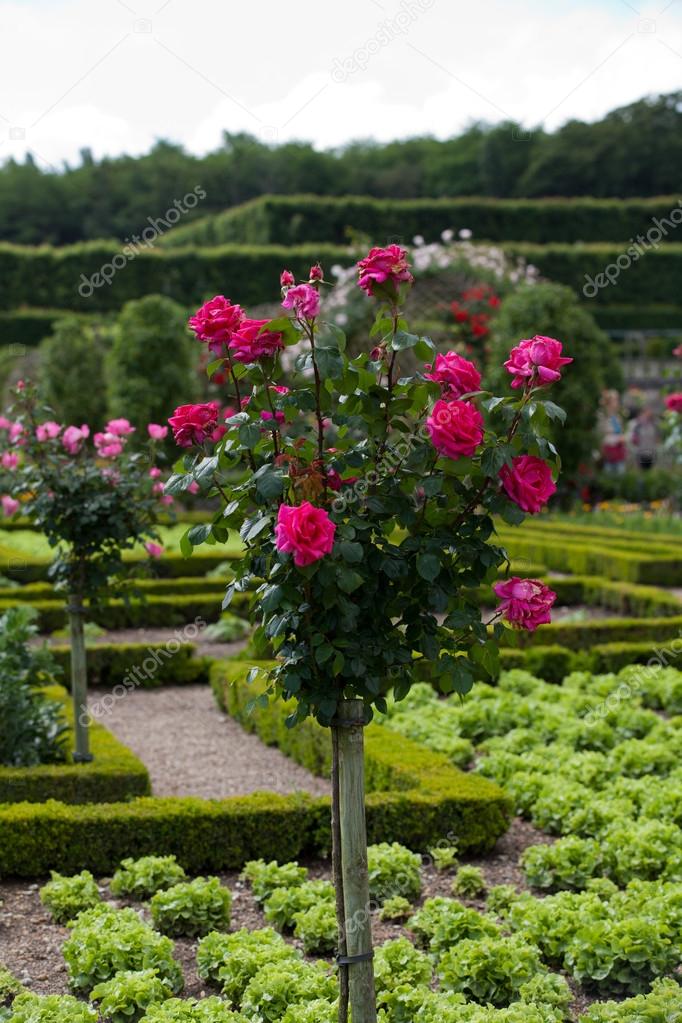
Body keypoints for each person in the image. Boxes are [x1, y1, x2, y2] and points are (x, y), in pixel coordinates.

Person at [597, 390, 627, 474]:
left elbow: (620, 431)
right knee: (608, 474)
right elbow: (601, 432)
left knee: (620, 473)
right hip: (608, 449)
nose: (617, 402)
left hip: (618, 449)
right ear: (608, 402)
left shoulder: (618, 416)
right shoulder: (603, 415)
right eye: (615, 400)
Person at [628, 405, 659, 471]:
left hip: (651, 452)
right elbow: (632, 438)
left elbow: (657, 437)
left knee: (650, 472)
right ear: (642, 413)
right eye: (647, 412)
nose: (649, 413)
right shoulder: (635, 424)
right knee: (640, 472)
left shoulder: (654, 423)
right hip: (640, 452)